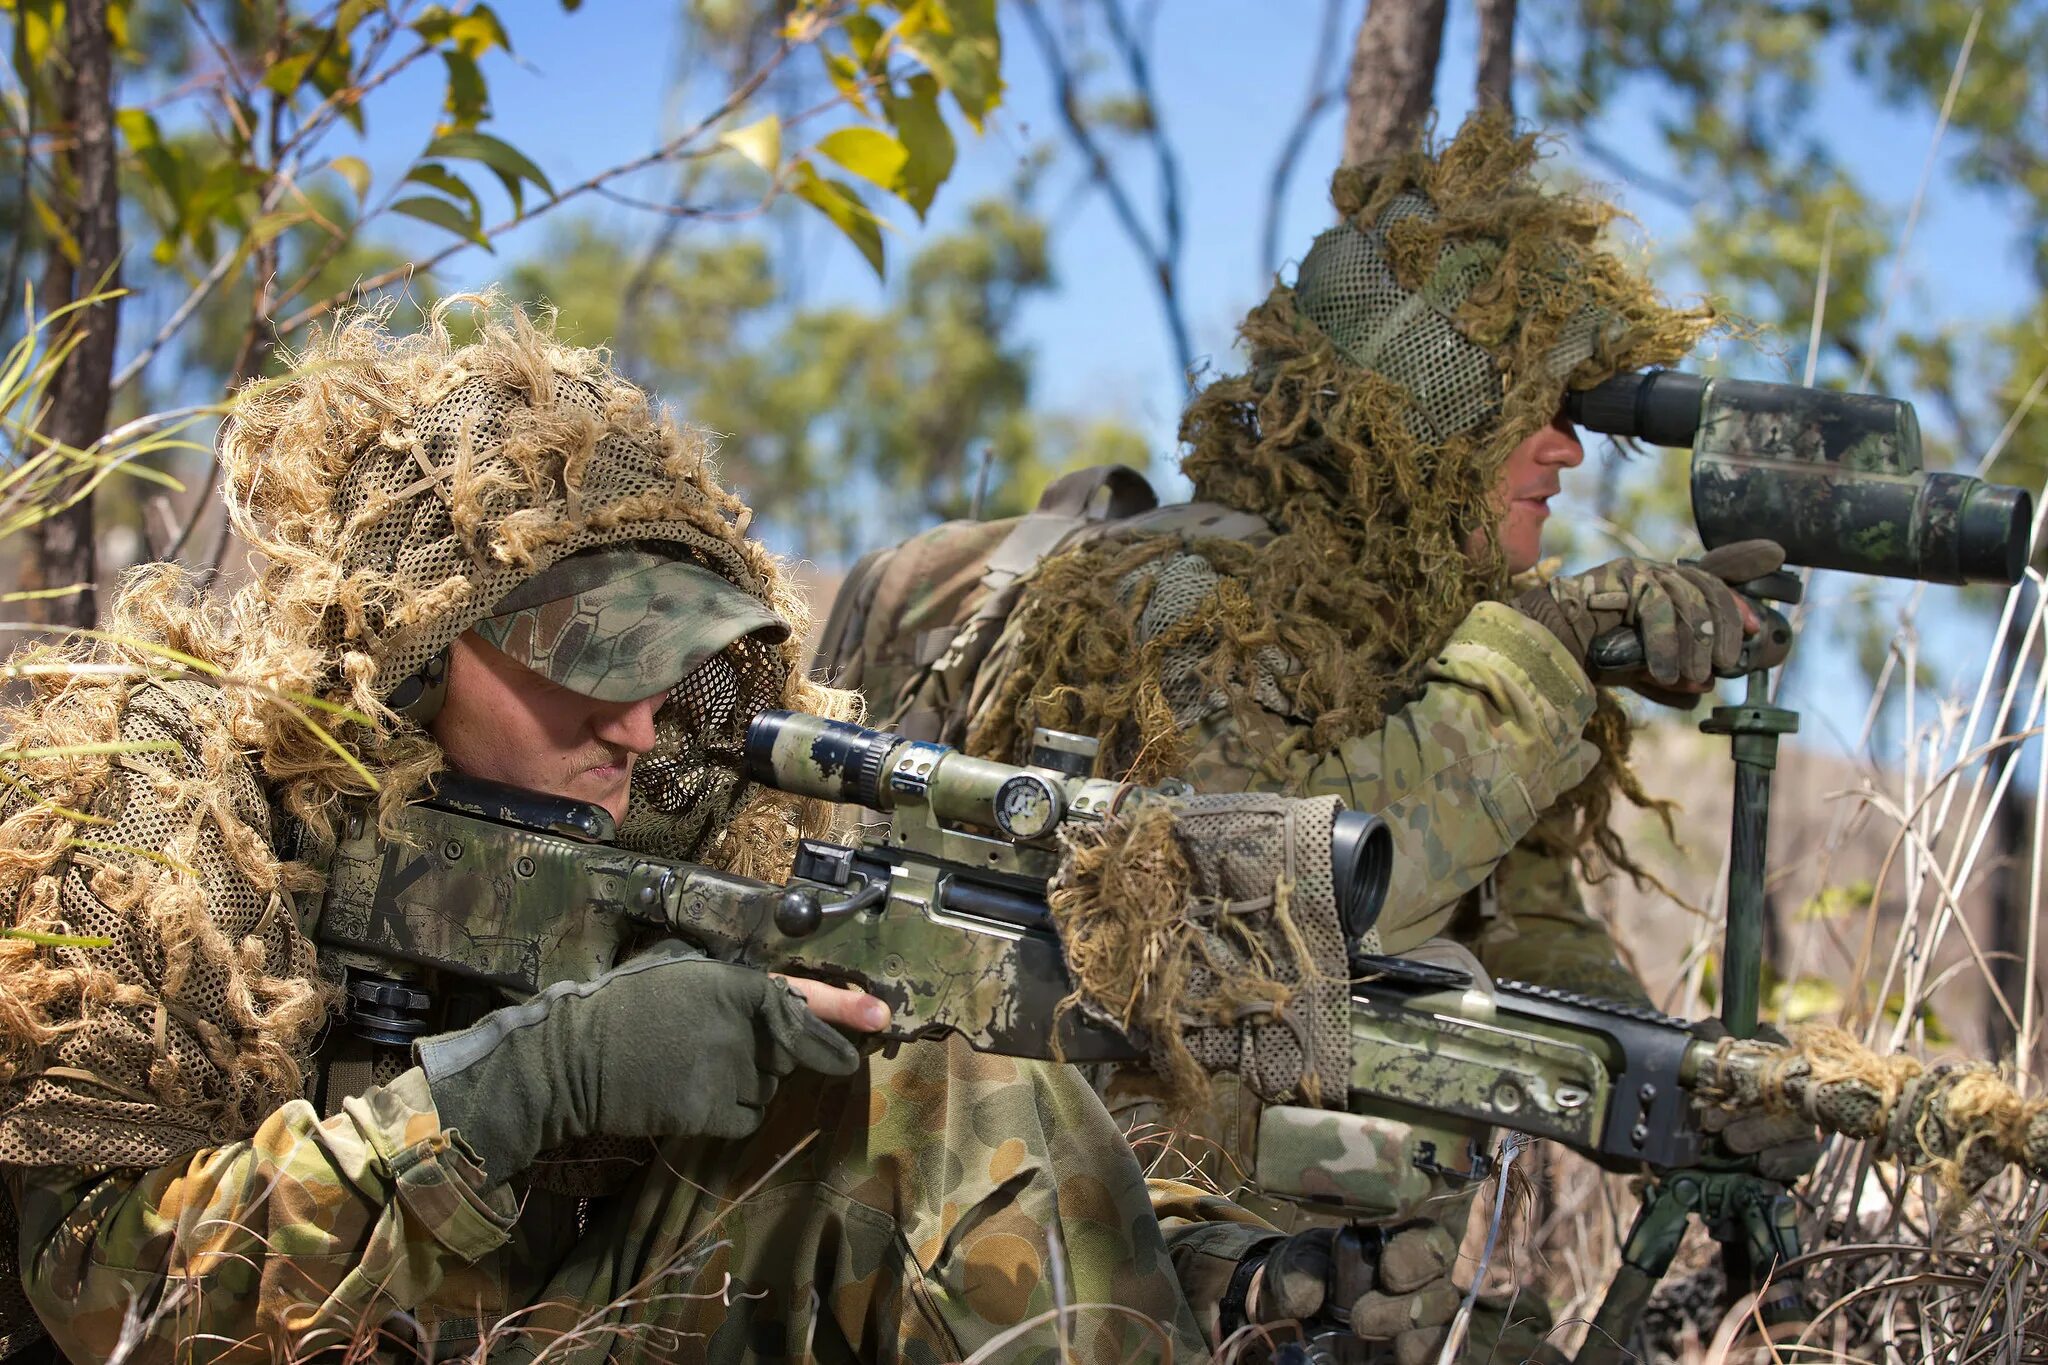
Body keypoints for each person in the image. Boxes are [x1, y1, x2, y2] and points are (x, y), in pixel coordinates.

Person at [0, 297, 1315, 1364]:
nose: (633, 727)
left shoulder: (681, 817)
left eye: (661, 670)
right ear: (404, 657)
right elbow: (108, 1302)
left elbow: (927, 1152)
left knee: (927, 1078)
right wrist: (532, 1083)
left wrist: (1218, 1265)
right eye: (585, 663)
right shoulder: (169, 818)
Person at [815, 114, 1804, 1364]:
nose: (1564, 452)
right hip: (1093, 1269)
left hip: (1316, 1274)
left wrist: (1695, 1091)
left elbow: (1515, 945)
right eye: (1528, 413)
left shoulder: (1409, 628)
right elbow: (1277, 926)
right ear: (1415, 425)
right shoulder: (1182, 606)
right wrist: (1537, 659)